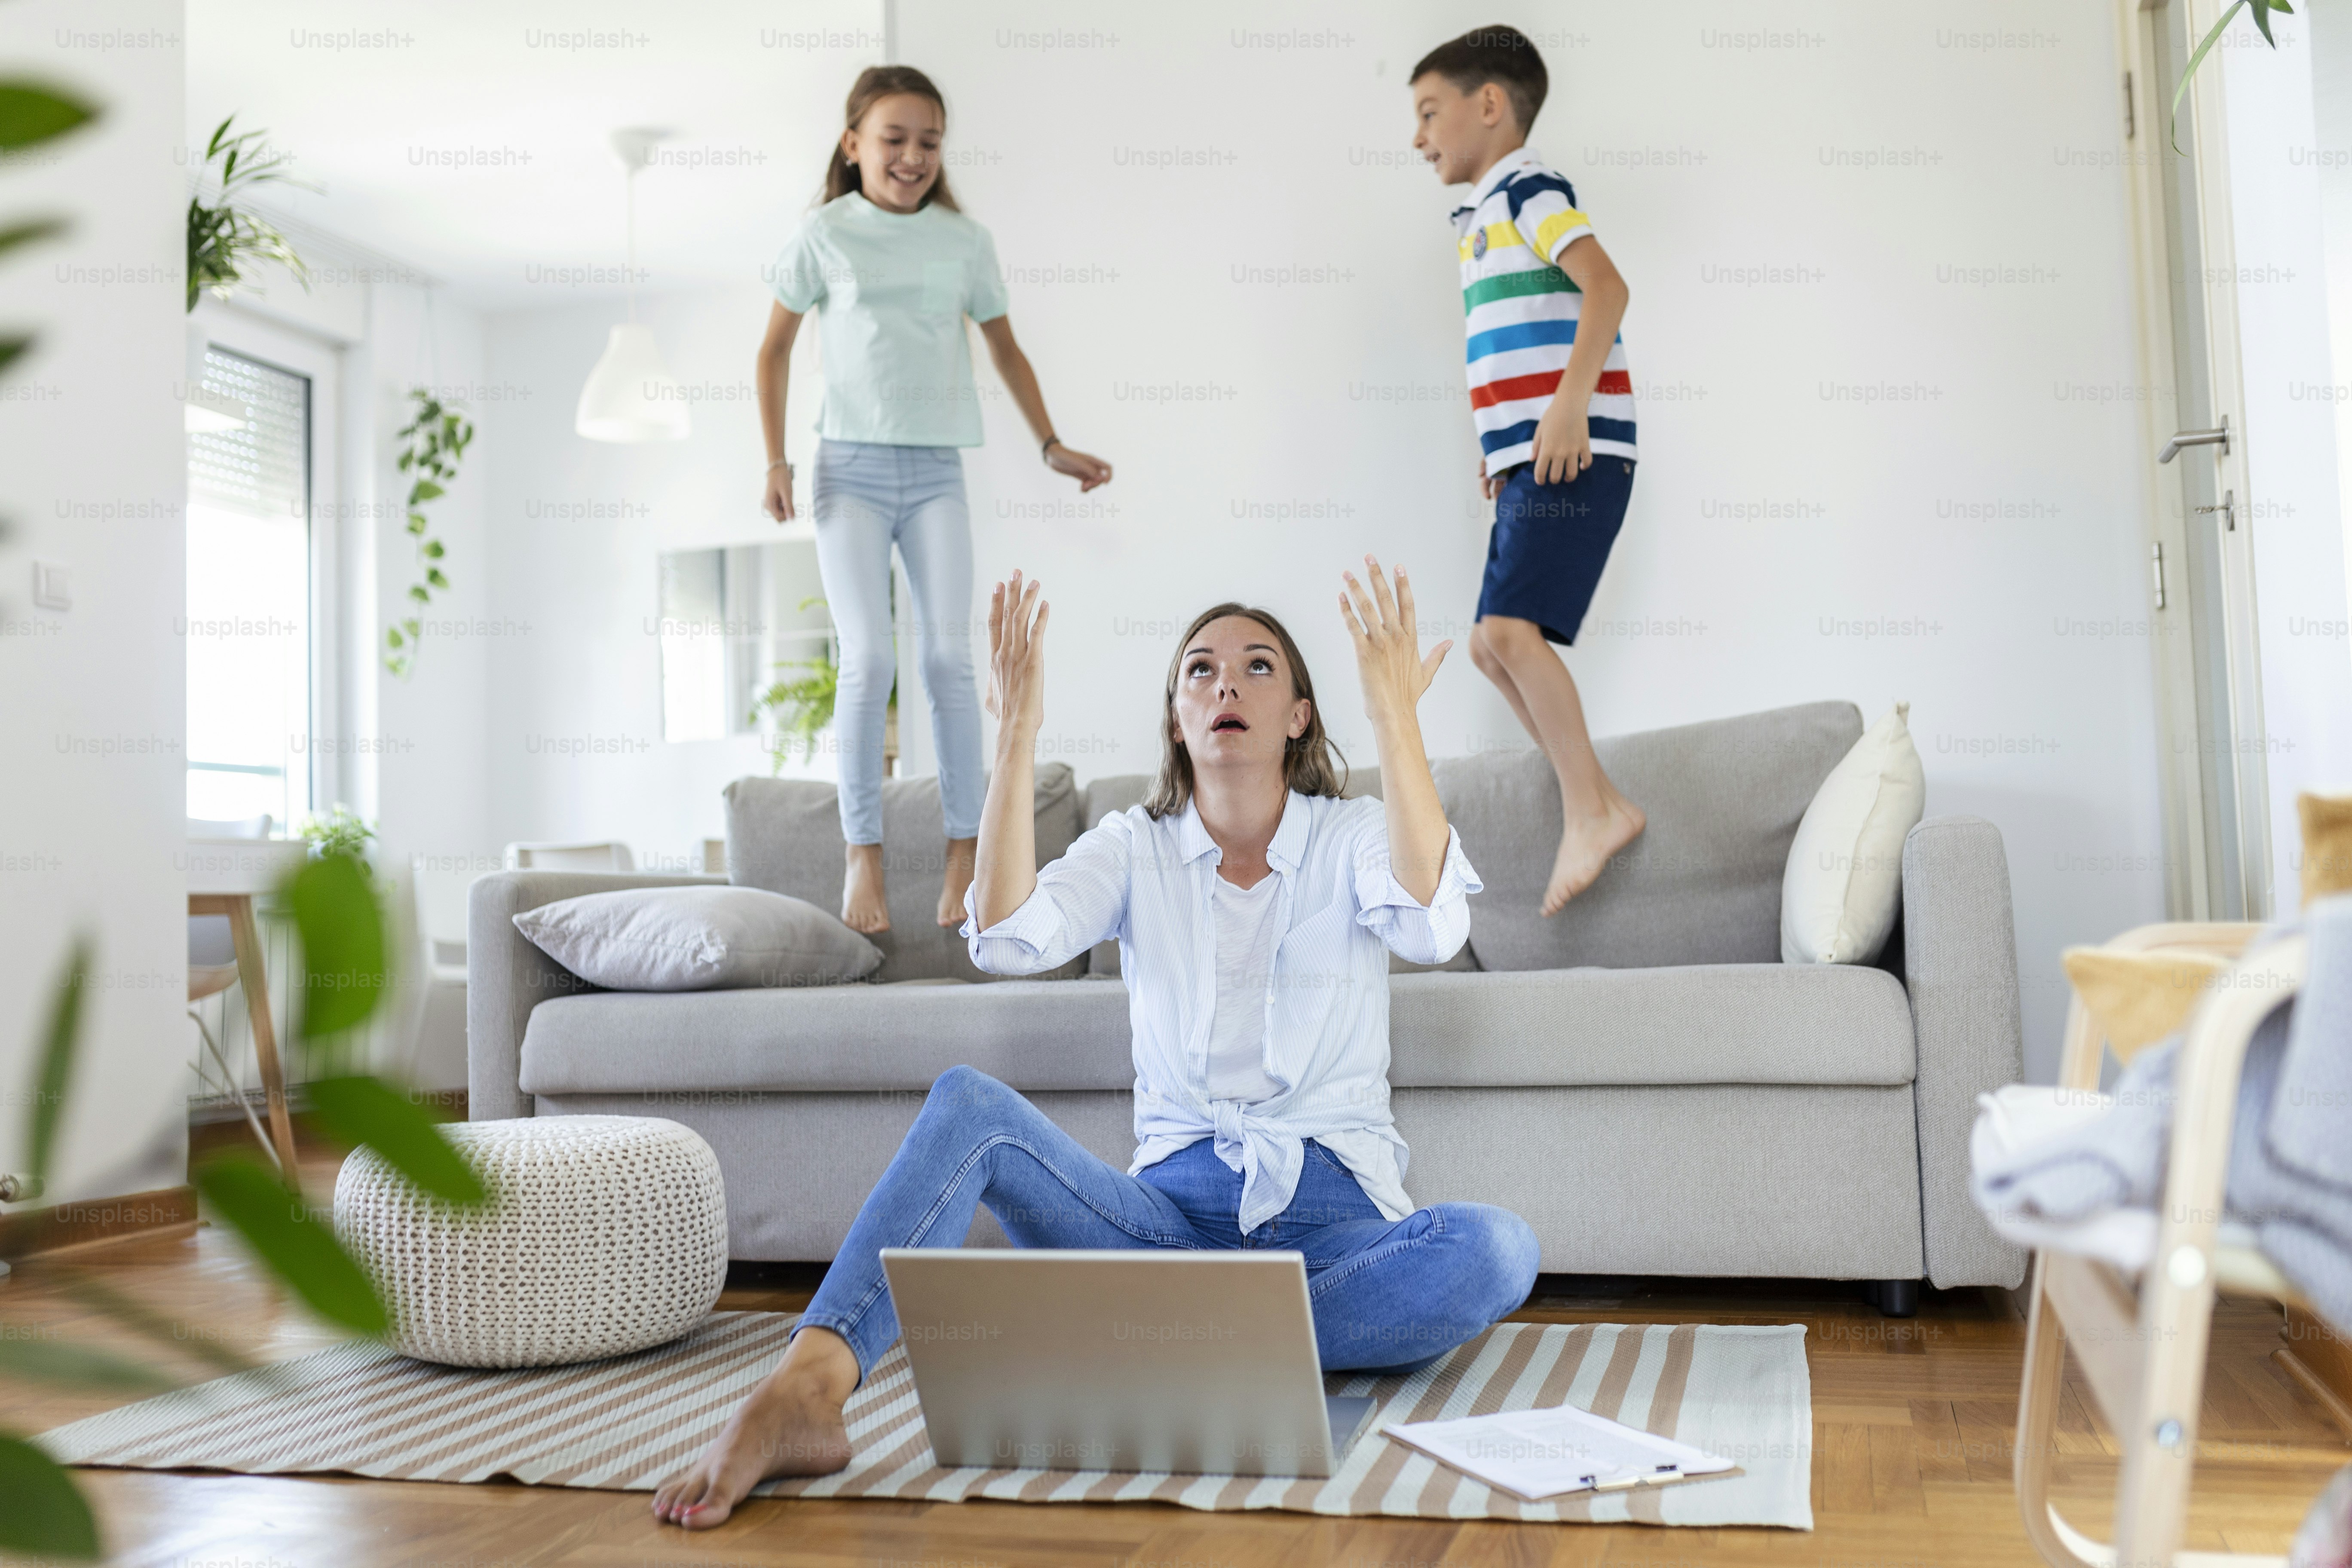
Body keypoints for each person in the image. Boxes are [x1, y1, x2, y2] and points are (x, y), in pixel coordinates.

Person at [651, 558, 1540, 1529]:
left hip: (1334, 1226)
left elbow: (1429, 924)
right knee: (969, 1104)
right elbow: (1006, 936)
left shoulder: (1355, 833)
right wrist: (1018, 732)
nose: (1225, 684)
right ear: (1176, 719)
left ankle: (1152, 1340)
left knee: (1496, 1250)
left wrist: (1395, 719)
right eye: (1199, 670)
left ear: (1298, 716)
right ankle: (806, 1390)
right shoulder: (1135, 843)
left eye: (1256, 667)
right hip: (1167, 1224)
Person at [756, 64, 1112, 933]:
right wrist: (774, 459)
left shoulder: (964, 241)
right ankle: (863, 862)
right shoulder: (823, 236)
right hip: (848, 469)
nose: (912, 157)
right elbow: (771, 353)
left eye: (928, 142)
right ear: (853, 144)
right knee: (868, 660)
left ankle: (966, 853)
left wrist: (1051, 442)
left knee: (951, 663)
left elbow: (1006, 350)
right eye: (894, 139)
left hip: (935, 474)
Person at [1410, 25, 1645, 916]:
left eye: (1430, 112)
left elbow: (1607, 288)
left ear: (1490, 105)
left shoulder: (1529, 188)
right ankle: (1591, 798)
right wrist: (1503, 444)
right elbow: (1518, 342)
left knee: (1507, 636)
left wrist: (1568, 407)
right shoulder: (1483, 215)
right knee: (1487, 644)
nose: (1419, 135)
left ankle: (1594, 806)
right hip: (1535, 458)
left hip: (1577, 449)